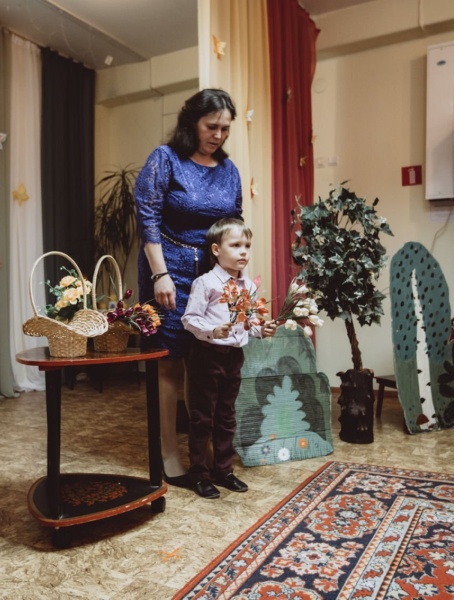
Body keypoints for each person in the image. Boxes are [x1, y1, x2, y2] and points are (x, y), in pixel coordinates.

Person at [135, 89, 243, 488]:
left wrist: (235, 279)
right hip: (169, 271)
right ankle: (168, 453)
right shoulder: (165, 159)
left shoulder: (228, 169)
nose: (218, 135)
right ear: (191, 123)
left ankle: (207, 456)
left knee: (206, 363)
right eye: (211, 126)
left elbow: (234, 226)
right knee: (170, 360)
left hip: (212, 277)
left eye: (225, 129)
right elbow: (147, 217)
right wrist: (160, 275)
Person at [181, 218, 276, 498]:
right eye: (235, 245)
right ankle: (199, 474)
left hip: (234, 358)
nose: (243, 251)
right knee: (202, 418)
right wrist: (213, 331)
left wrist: (261, 329)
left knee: (226, 416)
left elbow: (249, 322)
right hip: (206, 356)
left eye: (247, 245)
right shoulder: (206, 283)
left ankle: (224, 470)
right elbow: (189, 319)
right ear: (216, 250)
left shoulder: (248, 287)